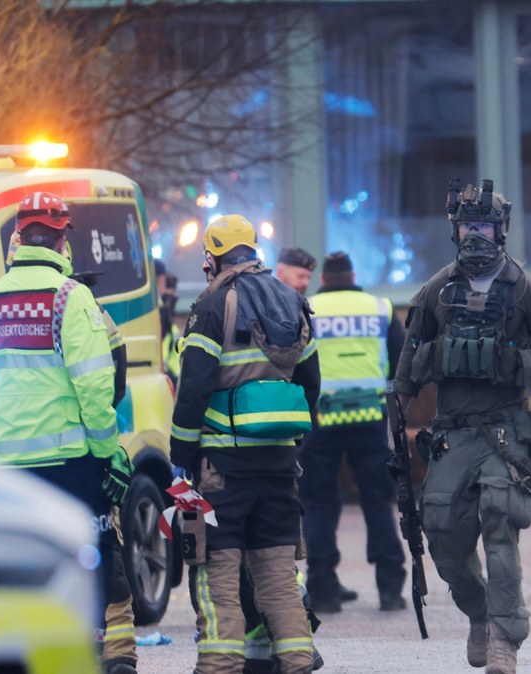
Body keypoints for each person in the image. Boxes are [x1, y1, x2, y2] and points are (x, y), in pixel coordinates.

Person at [393, 179, 531, 674]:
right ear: (454, 231)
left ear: (501, 231)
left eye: (483, 226)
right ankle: (480, 614)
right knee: (442, 534)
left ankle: (504, 636)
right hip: (453, 430)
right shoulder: (437, 291)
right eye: (466, 227)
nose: (474, 237)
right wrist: (392, 421)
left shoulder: (525, 290)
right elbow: (408, 366)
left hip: (507, 430)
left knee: (500, 523)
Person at [0, 193, 137, 674]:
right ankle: (100, 657)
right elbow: (94, 384)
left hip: (6, 467)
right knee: (92, 556)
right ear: (63, 239)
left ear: (17, 238)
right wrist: (107, 453)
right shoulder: (70, 297)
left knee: (20, 566)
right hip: (70, 462)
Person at [170, 214, 319, 674]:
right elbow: (311, 385)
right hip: (278, 464)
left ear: (212, 260)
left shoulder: (212, 307)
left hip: (222, 468)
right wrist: (289, 444)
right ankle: (296, 659)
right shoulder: (294, 302)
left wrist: (181, 460)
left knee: (218, 579)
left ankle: (219, 667)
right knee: (277, 577)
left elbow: (193, 388)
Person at [299, 251, 407, 614]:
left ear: (324, 279)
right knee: (378, 502)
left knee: (319, 503)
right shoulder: (380, 308)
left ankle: (324, 589)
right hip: (369, 417)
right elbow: (400, 361)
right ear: (353, 275)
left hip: (320, 419)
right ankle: (390, 588)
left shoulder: (307, 307)